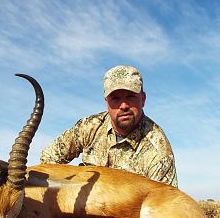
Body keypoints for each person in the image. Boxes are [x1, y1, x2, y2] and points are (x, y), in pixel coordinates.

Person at [40, 65, 178, 187]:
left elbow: (164, 202)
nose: (123, 106)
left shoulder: (158, 150)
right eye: (115, 99)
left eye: (130, 97)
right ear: (107, 102)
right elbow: (47, 160)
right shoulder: (89, 127)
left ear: (143, 99)